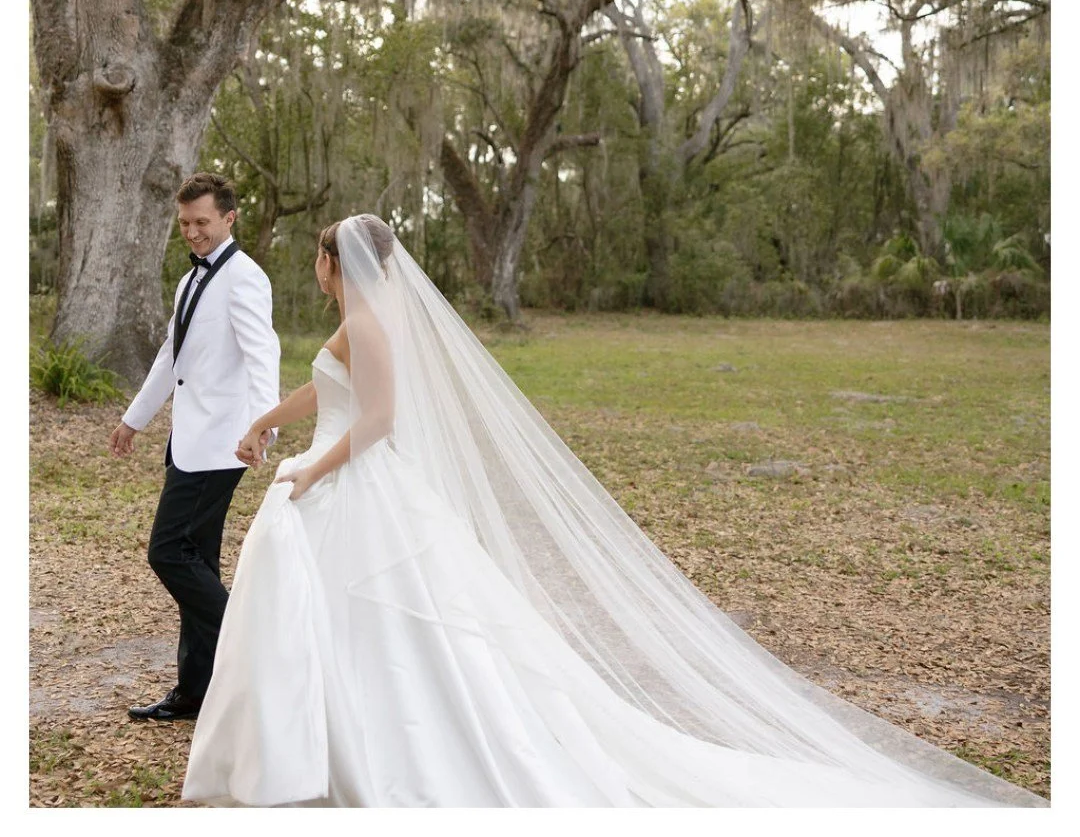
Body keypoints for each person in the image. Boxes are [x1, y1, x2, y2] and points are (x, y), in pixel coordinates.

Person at [182, 214, 1045, 807]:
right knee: (344, 624)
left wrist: (306, 472)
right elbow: (328, 389)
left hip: (361, 489)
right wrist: (269, 421)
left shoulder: (371, 324)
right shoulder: (358, 318)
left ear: (341, 263)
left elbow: (376, 422)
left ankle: (384, 755)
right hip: (339, 482)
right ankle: (317, 747)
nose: (317, 267)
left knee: (394, 629)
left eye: (321, 255)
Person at [109, 172, 280, 723]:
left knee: (169, 552)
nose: (193, 232)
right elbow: (171, 358)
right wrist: (135, 419)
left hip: (223, 444)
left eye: (202, 222)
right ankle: (197, 691)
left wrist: (262, 428)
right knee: (198, 560)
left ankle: (253, 650)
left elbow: (263, 355)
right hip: (189, 438)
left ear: (229, 218)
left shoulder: (246, 278)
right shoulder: (189, 282)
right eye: (185, 223)